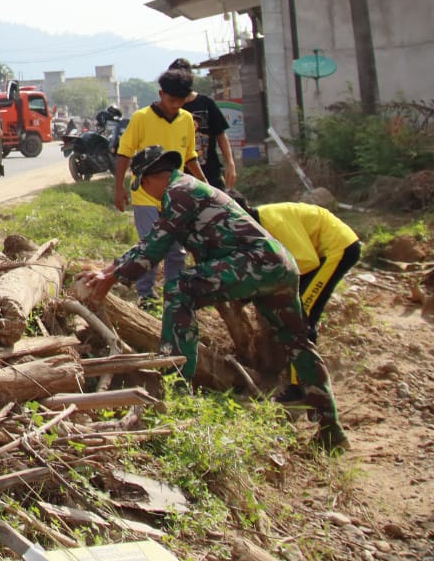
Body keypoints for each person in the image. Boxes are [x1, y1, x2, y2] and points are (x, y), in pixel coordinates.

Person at [80, 146, 347, 452]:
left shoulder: (178, 192)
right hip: (278, 265)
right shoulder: (189, 190)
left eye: (144, 185)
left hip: (255, 262)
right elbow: (150, 242)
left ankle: (176, 388)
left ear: (155, 177)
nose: (147, 194)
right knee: (297, 343)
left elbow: (155, 248)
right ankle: (331, 429)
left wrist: (110, 279)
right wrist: (106, 271)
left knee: (180, 289)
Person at [238, 197, 362, 402]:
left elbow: (306, 261)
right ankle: (307, 382)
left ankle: (302, 388)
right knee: (299, 315)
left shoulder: (273, 221)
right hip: (322, 253)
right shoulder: (259, 225)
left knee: (300, 317)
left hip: (336, 250)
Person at [114, 68, 205, 309]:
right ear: (161, 94)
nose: (175, 105)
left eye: (180, 101)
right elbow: (124, 153)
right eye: (171, 99)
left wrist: (204, 185)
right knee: (150, 248)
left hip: (176, 197)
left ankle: (173, 293)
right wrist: (119, 187)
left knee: (177, 251)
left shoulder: (186, 120)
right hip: (145, 195)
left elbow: (190, 157)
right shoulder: (142, 118)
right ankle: (146, 295)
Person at [169, 58, 238, 191]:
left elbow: (221, 134)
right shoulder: (169, 109)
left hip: (210, 173)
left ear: (191, 78)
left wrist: (230, 163)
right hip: (181, 177)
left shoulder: (206, 103)